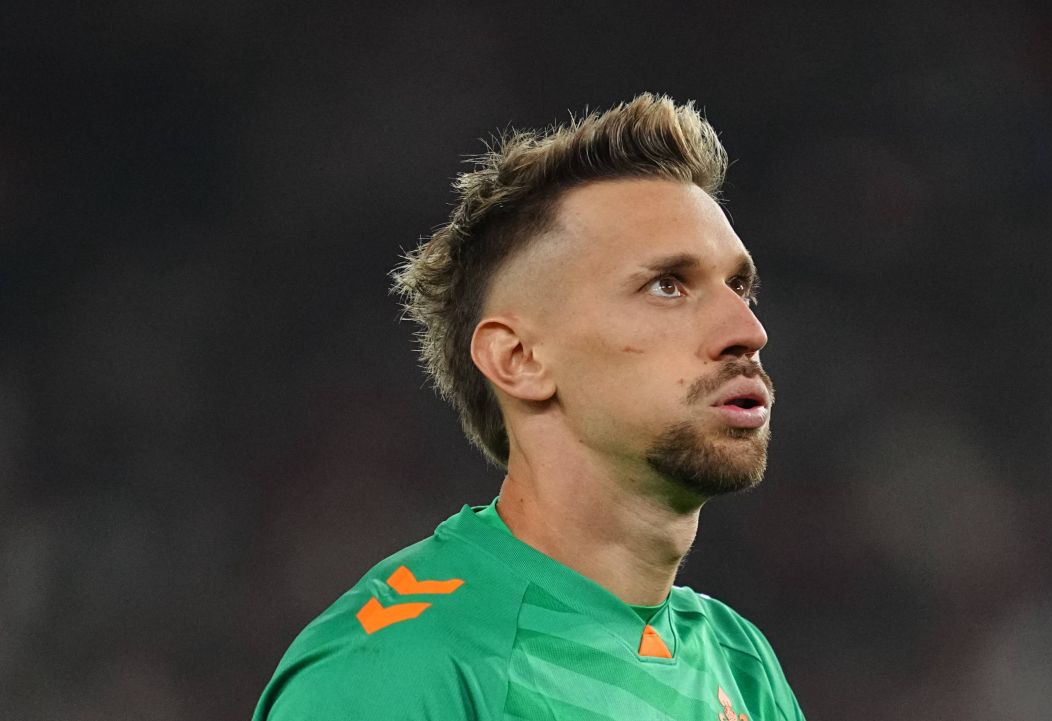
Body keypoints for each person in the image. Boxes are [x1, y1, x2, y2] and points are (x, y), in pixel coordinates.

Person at [252, 92, 805, 721]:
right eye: (667, 286)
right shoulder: (394, 667)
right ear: (519, 359)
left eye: (739, 287)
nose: (748, 331)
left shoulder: (740, 662)